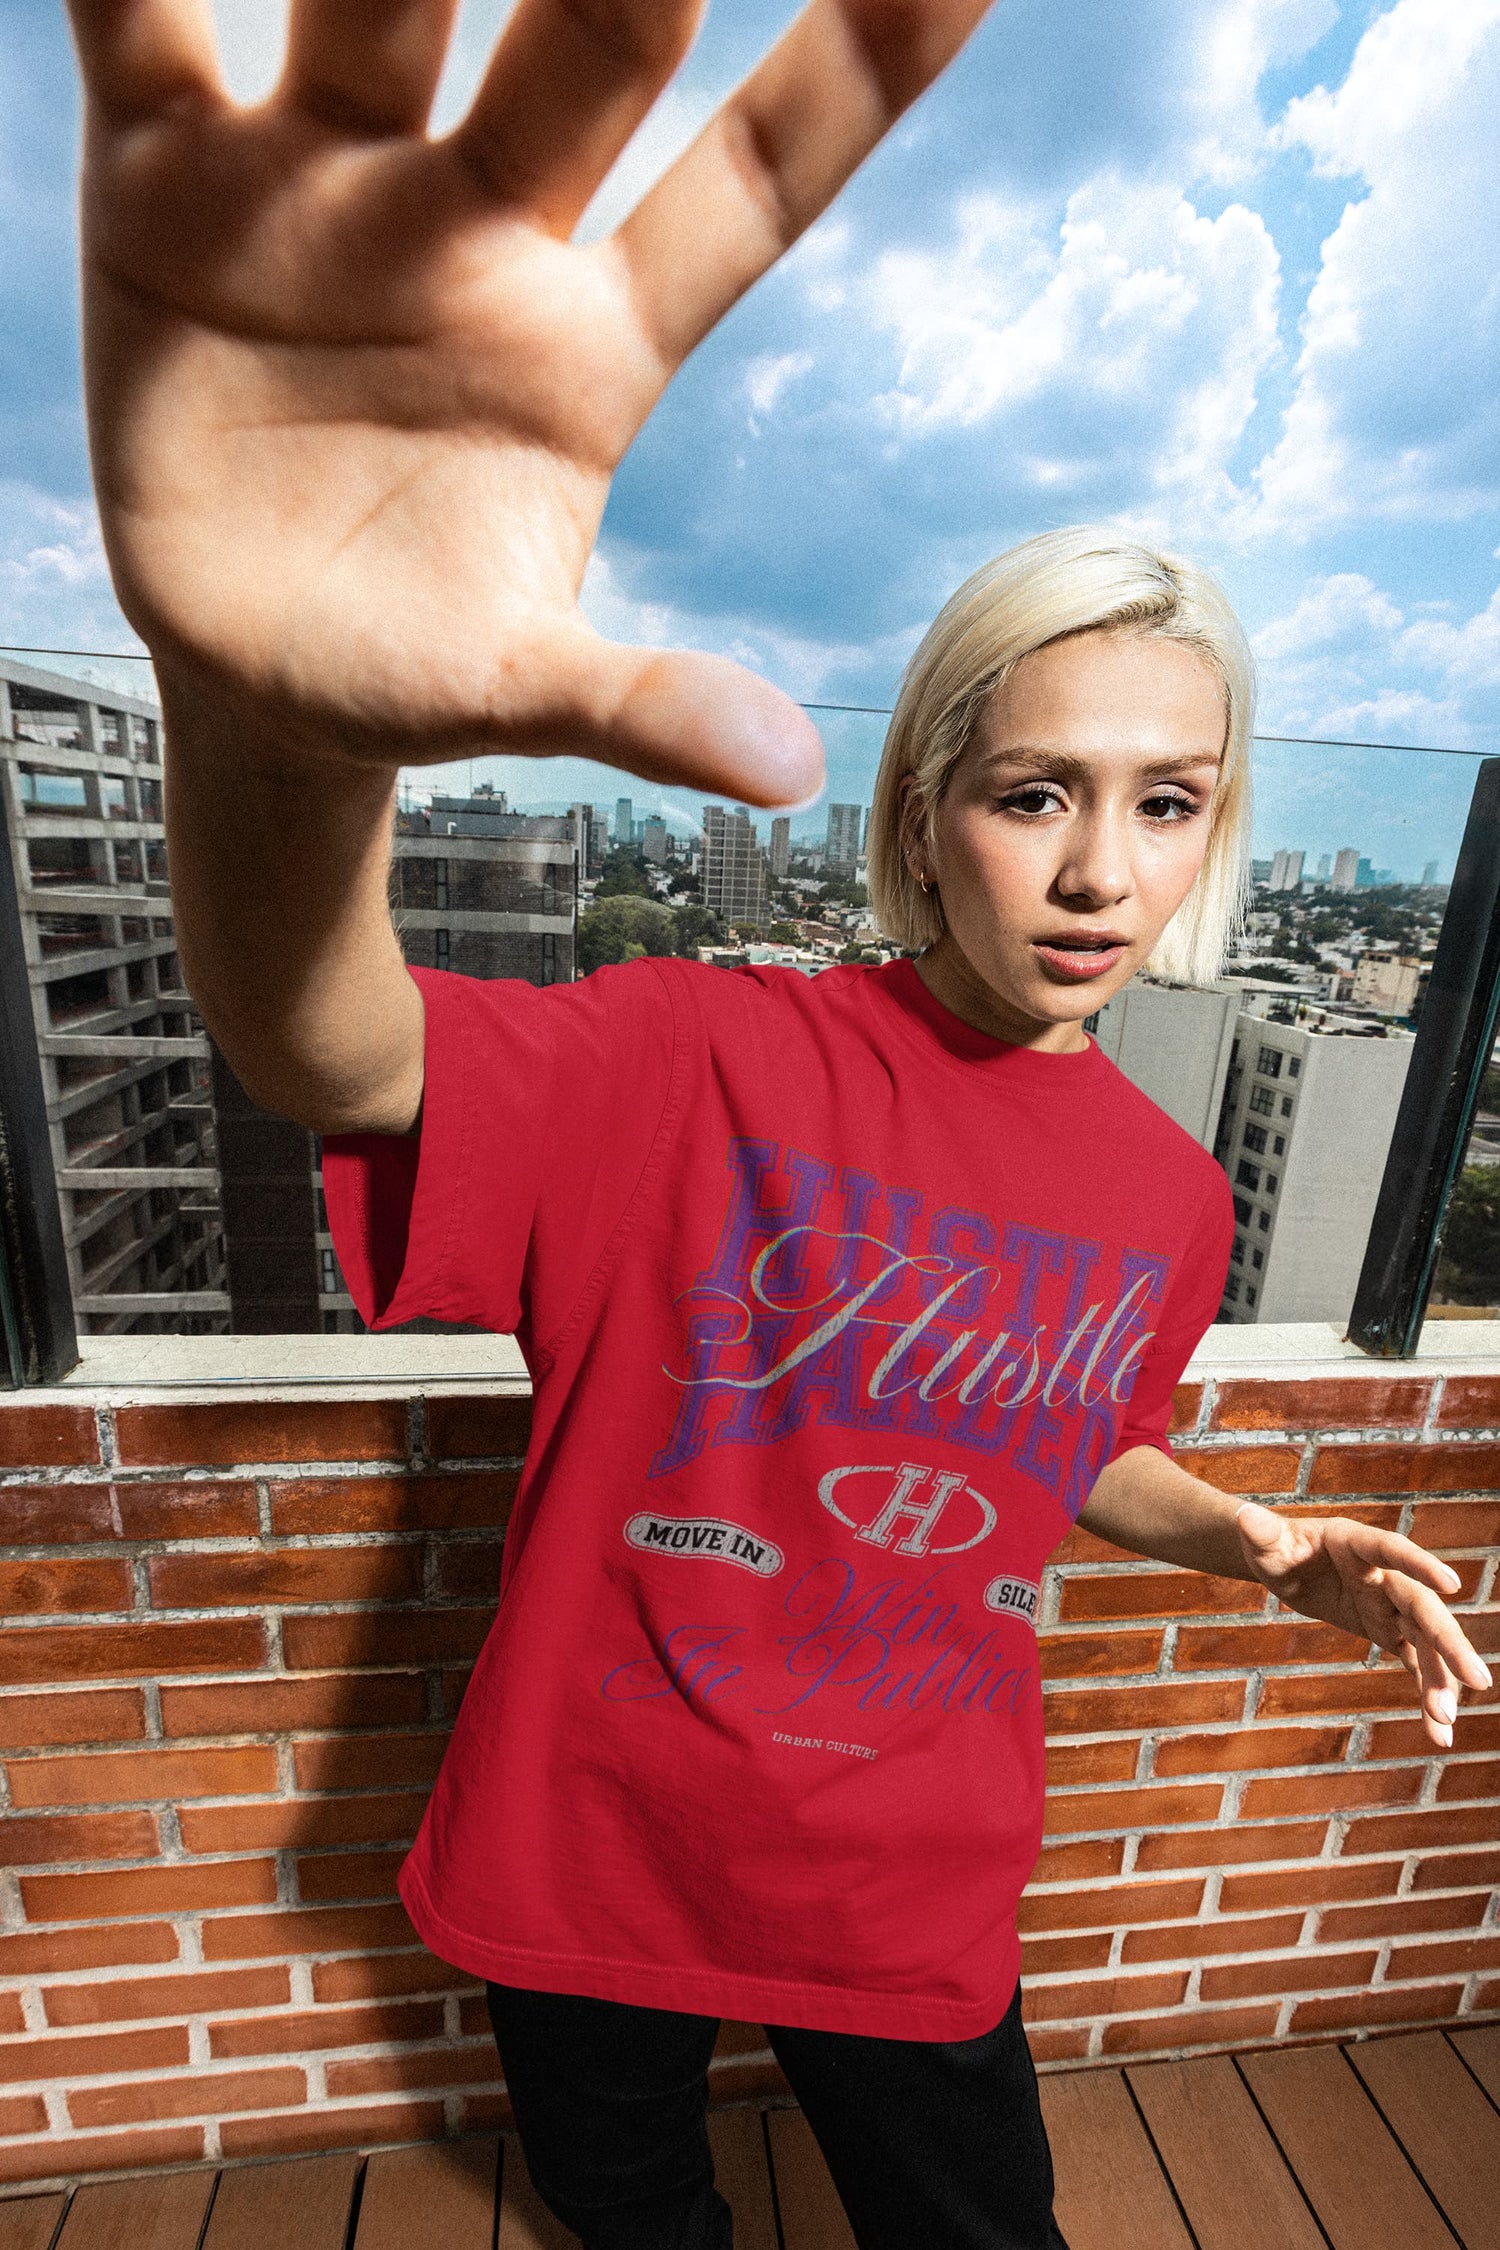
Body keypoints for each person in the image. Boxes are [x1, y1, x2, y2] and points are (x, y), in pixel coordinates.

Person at [64, 5, 1491, 2247]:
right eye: (1037, 794)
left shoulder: (1166, 1193)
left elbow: (1042, 1440)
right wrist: (263, 726)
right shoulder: (693, 1057)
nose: (1103, 869)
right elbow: (323, 1048)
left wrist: (1262, 1544)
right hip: (589, 1842)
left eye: (1168, 804)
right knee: (640, 2227)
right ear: (928, 815)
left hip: (905, 1877)